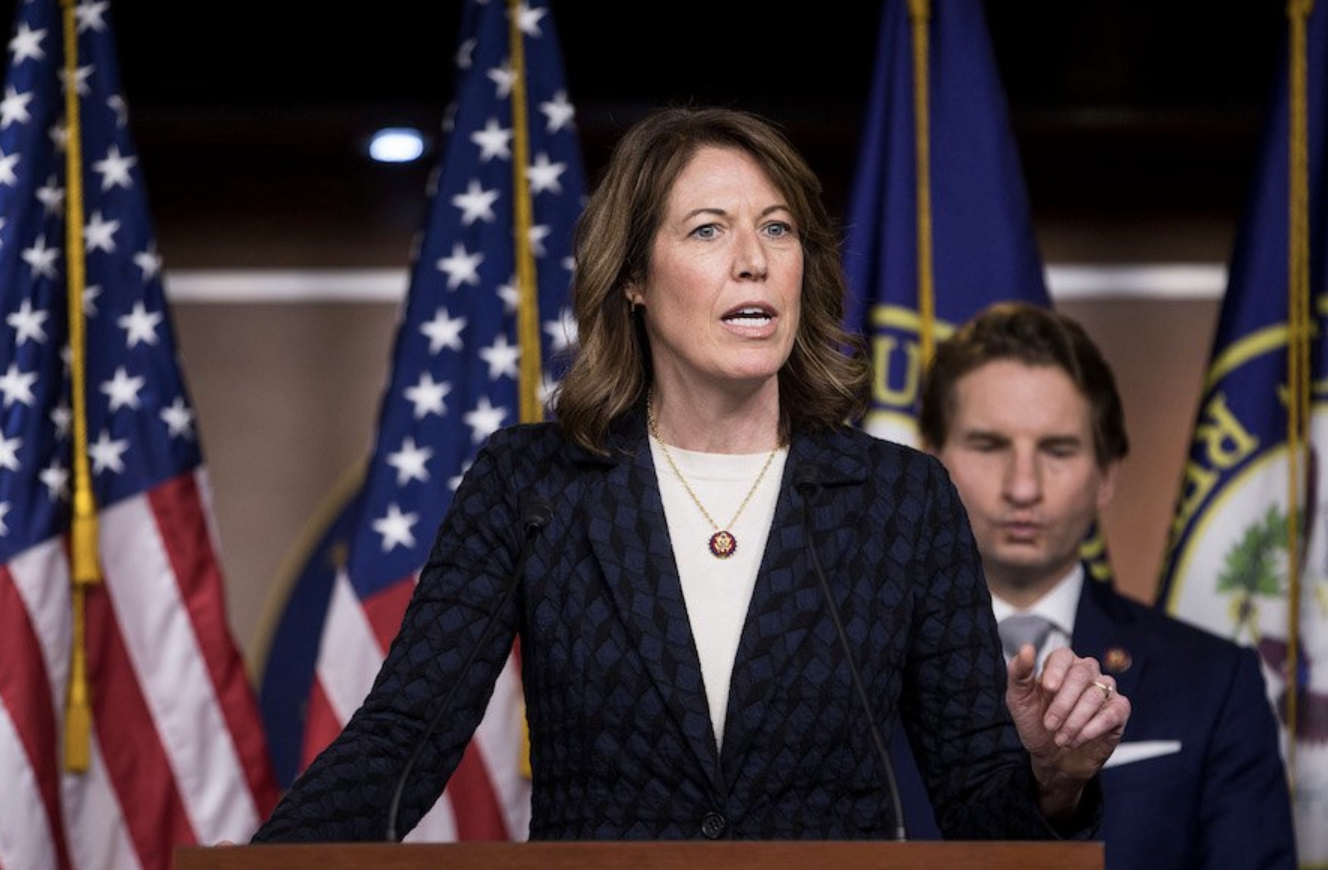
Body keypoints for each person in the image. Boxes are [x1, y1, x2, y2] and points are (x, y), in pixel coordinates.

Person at [250, 106, 1129, 843]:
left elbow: (978, 808)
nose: (754, 259)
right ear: (633, 276)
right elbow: (403, 739)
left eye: (777, 229)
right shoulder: (533, 483)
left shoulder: (901, 500)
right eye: (709, 230)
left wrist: (1053, 778)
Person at [897, 300, 1296, 868]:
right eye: (989, 445)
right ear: (928, 463)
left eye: (1057, 450)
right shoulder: (862, 672)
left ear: (1106, 474)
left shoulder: (1214, 683)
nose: (1023, 487)